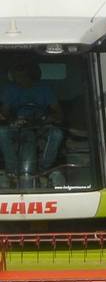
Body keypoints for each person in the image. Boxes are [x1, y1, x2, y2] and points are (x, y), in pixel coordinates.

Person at [0, 60, 64, 188]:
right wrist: (13, 120)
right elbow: (3, 115)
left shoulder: (44, 89)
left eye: (23, 73)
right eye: (16, 73)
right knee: (2, 132)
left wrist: (46, 119)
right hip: (18, 125)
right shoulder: (10, 89)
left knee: (57, 133)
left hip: (41, 124)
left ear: (32, 73)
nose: (20, 77)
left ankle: (43, 170)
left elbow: (59, 114)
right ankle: (12, 171)